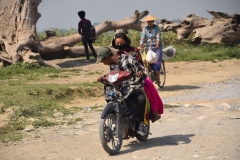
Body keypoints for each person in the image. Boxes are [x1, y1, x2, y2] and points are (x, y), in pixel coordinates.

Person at [112, 32, 163, 123]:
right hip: (124, 80)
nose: (119, 45)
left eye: (121, 42)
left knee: (148, 84)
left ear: (126, 41)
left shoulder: (134, 50)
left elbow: (140, 65)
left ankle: (152, 112)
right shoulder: (117, 54)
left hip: (137, 78)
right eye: (117, 43)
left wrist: (138, 71)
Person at [96, 46, 147, 135]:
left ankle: (140, 123)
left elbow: (142, 70)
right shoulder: (112, 66)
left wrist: (140, 73)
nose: (103, 63)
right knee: (110, 96)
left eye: (102, 61)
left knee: (141, 99)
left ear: (107, 58)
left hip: (133, 86)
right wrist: (103, 78)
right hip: (120, 89)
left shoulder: (128, 59)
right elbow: (113, 78)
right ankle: (117, 118)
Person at [140, 14, 163, 83]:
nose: (149, 23)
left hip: (157, 46)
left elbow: (158, 36)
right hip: (149, 46)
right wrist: (141, 45)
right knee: (149, 60)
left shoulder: (156, 28)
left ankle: (158, 78)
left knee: (157, 61)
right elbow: (142, 37)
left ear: (153, 22)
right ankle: (151, 75)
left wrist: (157, 43)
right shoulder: (145, 29)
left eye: (151, 22)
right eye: (148, 22)